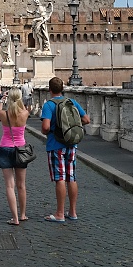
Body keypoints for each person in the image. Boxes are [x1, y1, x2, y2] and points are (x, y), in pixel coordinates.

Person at [39, 77, 91, 223]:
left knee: (60, 178)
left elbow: (46, 128)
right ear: (63, 88)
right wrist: (70, 126)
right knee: (72, 177)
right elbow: (86, 119)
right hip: (71, 143)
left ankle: (60, 213)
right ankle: (73, 212)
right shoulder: (71, 102)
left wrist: (56, 128)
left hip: (56, 145)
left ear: (50, 89)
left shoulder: (49, 105)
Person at [0, 88, 30, 225]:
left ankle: (15, 218)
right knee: (21, 185)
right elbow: (26, 107)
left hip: (5, 148)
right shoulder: (25, 113)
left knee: (10, 186)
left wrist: (1, 100)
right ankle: (22, 214)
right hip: (21, 149)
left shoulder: (4, 114)